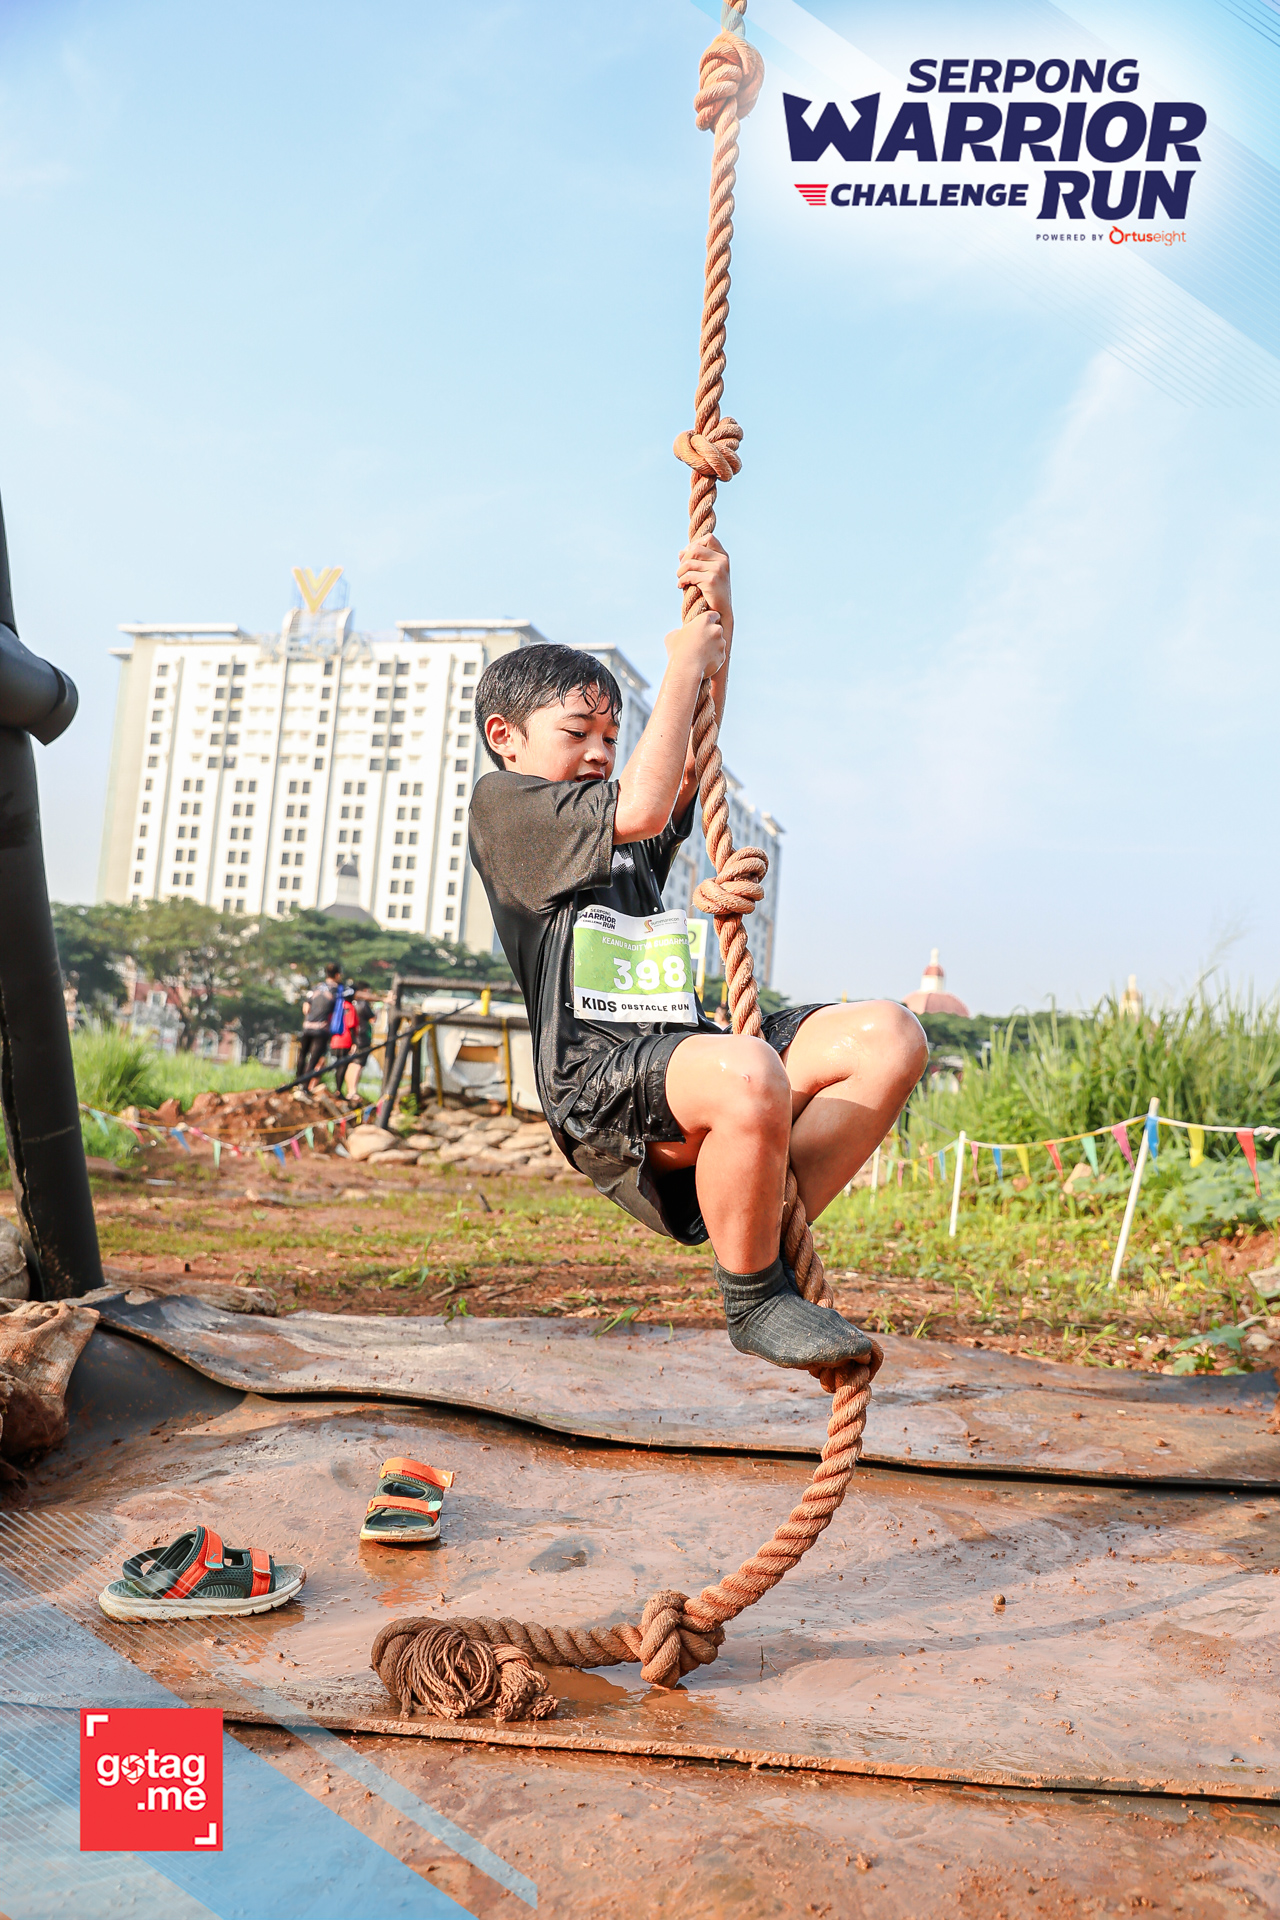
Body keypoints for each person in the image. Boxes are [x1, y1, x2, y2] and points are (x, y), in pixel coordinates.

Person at [468, 535, 927, 1378]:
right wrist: (680, 662)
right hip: (601, 1089)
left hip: (694, 1059)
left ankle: (752, 1211)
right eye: (578, 732)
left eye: (612, 736)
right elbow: (645, 804)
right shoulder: (508, 809)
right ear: (506, 737)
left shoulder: (619, 827)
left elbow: (688, 765)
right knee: (749, 1069)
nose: (600, 751)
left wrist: (721, 616)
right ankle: (754, 1297)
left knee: (891, 1036)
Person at [297, 962, 342, 1089]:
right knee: (314, 1059)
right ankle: (304, 1086)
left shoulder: (316, 987)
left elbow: (306, 1009)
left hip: (307, 1027)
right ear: (337, 975)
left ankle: (296, 1081)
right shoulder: (337, 990)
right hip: (321, 1028)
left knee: (302, 1055)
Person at [342, 981, 375, 1102]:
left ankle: (349, 1090)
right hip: (363, 1037)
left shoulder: (349, 1003)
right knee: (358, 1064)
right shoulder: (363, 1003)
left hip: (352, 1037)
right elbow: (373, 1019)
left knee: (351, 1063)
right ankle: (353, 1091)